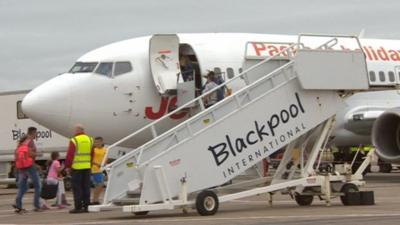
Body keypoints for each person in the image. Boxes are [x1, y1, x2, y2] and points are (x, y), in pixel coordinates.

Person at [65, 125, 93, 214]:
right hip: (87, 166)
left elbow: (70, 154)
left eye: (75, 130)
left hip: (77, 167)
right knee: (86, 187)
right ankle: (87, 206)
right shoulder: (90, 139)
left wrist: (68, 166)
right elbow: (92, 153)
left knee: (77, 188)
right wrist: (90, 164)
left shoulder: (74, 140)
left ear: (77, 131)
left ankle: (78, 207)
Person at [14, 127, 42, 213]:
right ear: (33, 133)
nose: (37, 135)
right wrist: (38, 154)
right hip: (29, 166)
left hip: (21, 167)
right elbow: (29, 153)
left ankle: (18, 205)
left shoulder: (22, 141)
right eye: (36, 133)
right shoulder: (30, 141)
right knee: (38, 186)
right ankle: (37, 206)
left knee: (23, 187)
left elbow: (17, 153)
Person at [91, 137, 107, 205]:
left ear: (102, 142)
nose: (96, 143)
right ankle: (95, 199)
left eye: (98, 142)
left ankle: (95, 199)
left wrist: (104, 164)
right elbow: (90, 159)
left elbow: (106, 158)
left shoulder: (105, 150)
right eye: (95, 142)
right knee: (100, 184)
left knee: (99, 185)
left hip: (101, 169)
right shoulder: (94, 150)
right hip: (95, 169)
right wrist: (97, 164)